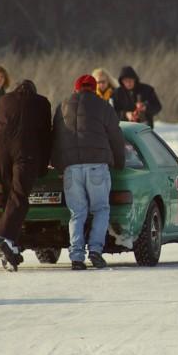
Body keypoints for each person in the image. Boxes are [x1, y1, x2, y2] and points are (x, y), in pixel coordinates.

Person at [51, 74, 125, 270]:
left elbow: (55, 137)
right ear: (94, 89)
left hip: (71, 168)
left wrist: (58, 165)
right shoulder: (103, 106)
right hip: (97, 166)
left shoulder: (62, 106)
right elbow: (116, 136)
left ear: (76, 88)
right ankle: (95, 251)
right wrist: (119, 162)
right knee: (101, 209)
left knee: (77, 213)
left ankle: (76, 257)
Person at [0, 79, 52, 271]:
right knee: (20, 196)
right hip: (25, 153)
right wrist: (42, 166)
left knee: (9, 195)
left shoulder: (4, 100)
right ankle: (4, 237)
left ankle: (12, 247)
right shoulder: (42, 103)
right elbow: (45, 136)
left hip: (0, 151)